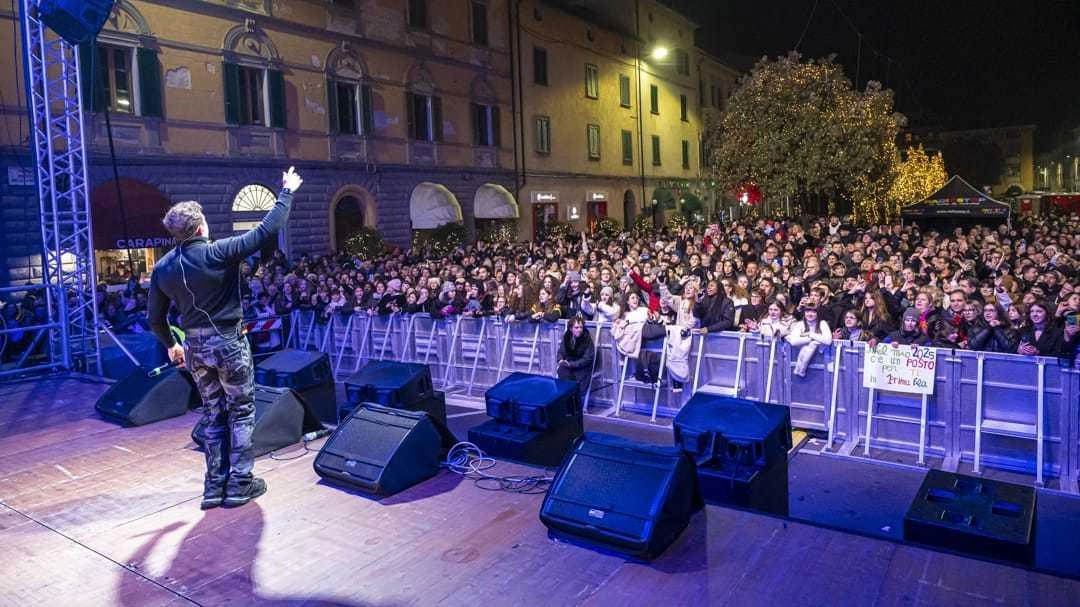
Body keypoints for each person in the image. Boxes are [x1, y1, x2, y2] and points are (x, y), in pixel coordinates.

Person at [148, 166, 303, 510]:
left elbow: (155, 319)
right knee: (242, 412)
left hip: (195, 348)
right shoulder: (219, 252)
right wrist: (287, 191)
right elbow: (267, 230)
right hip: (228, 343)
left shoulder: (162, 269)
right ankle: (240, 484)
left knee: (212, 413)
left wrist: (171, 346)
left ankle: (213, 486)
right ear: (201, 226)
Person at [557, 316, 595, 400]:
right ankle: (566, 404)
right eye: (576, 327)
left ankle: (575, 406)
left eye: (581, 327)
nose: (579, 330)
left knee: (577, 380)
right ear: (571, 328)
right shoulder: (567, 337)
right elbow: (561, 351)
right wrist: (560, 360)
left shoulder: (587, 340)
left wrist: (572, 364)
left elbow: (587, 359)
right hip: (569, 364)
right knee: (562, 372)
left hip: (581, 367)